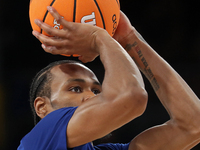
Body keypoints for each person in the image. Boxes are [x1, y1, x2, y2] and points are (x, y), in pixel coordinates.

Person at [18, 6, 200, 150]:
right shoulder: (40, 140)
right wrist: (99, 37)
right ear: (42, 107)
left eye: (97, 90)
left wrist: (129, 38)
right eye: (75, 88)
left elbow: (193, 125)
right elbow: (131, 97)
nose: (92, 96)